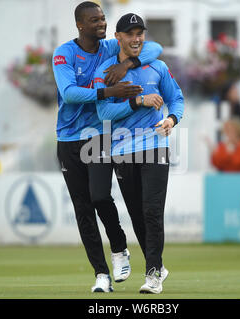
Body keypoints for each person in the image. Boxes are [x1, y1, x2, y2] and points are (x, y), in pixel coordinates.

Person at [51, 2, 163, 293]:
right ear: (80, 25)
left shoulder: (110, 48)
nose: (101, 23)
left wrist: (126, 64)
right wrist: (108, 91)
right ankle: (101, 274)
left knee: (100, 196)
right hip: (67, 139)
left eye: (102, 19)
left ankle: (118, 247)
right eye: (95, 20)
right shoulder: (64, 53)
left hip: (99, 135)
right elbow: (69, 93)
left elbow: (154, 48)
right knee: (82, 208)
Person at [94, 13, 184, 294]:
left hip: (155, 146)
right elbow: (104, 112)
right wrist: (137, 102)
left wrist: (171, 120)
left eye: (140, 33)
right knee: (137, 215)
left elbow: (176, 99)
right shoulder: (106, 71)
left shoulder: (156, 66)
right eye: (130, 34)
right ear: (117, 37)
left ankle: (153, 275)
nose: (136, 39)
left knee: (152, 212)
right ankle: (157, 265)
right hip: (122, 149)